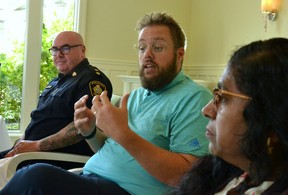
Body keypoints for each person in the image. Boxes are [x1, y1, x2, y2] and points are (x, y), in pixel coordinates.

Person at [0, 12, 211, 194]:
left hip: (127, 190)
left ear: (179, 54)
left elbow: (186, 176)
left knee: (36, 178)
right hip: (90, 177)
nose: (147, 55)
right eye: (141, 48)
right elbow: (109, 148)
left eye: (158, 47)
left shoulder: (194, 99)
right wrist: (90, 131)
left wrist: (123, 133)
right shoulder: (137, 96)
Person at [172, 38, 288, 194]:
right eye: (216, 94)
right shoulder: (225, 172)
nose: (207, 110)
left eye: (224, 98)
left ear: (272, 119)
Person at [0, 31, 113, 169]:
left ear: (82, 50)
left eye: (66, 48)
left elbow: (81, 127)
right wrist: (21, 143)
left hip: (52, 159)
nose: (58, 54)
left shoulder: (92, 80)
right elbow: (39, 120)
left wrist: (35, 145)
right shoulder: (56, 82)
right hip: (30, 153)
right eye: (54, 49)